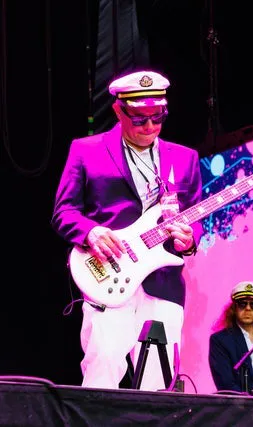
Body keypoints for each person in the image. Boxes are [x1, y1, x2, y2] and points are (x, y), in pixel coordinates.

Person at [51, 70, 203, 391]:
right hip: (109, 275)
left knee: (158, 382)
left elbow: (194, 216)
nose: (150, 126)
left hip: (163, 281)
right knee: (103, 366)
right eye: (139, 118)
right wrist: (91, 232)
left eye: (158, 117)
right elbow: (64, 213)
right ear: (119, 111)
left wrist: (189, 241)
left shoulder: (185, 158)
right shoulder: (86, 150)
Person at [208, 281, 253, 394]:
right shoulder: (220, 341)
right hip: (240, 405)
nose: (248, 308)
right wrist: (250, 401)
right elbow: (226, 385)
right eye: (242, 304)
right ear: (234, 308)